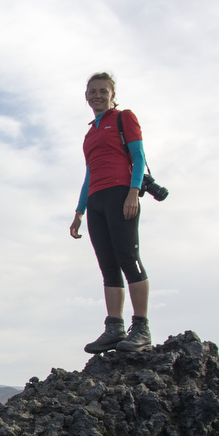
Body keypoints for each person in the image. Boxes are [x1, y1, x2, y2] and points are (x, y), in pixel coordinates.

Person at [69, 71, 152, 353]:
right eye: (93, 91)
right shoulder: (89, 134)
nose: (98, 96)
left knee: (128, 258)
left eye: (103, 91)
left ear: (112, 95)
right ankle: (114, 328)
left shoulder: (123, 118)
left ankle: (141, 327)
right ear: (86, 96)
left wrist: (133, 192)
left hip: (121, 193)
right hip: (96, 201)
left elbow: (138, 156)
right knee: (107, 265)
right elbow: (89, 175)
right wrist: (80, 211)